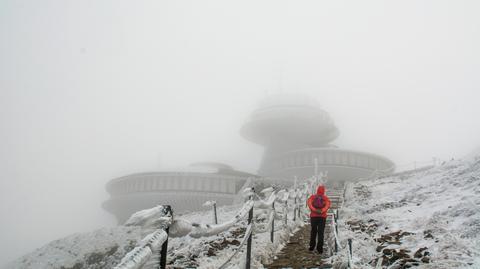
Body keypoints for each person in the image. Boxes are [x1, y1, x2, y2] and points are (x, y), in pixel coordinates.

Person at [307, 184, 331, 254]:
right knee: (321, 232)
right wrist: (322, 211)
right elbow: (327, 206)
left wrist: (314, 210)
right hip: (322, 217)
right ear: (324, 191)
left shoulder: (312, 197)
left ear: (317, 190)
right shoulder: (326, 198)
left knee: (313, 231)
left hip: (313, 216)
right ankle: (320, 249)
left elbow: (309, 203)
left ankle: (311, 247)